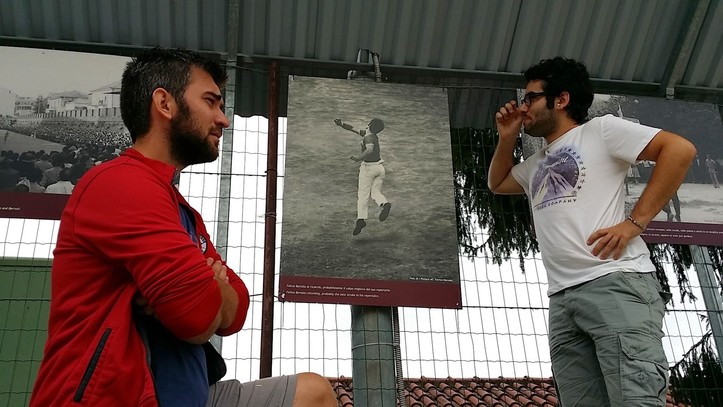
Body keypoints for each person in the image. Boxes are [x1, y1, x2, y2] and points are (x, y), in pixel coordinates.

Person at [30, 47, 337, 407]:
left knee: (314, 393)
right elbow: (197, 319)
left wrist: (202, 289)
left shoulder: (179, 206)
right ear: (164, 104)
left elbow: (236, 312)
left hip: (190, 395)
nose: (223, 119)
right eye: (211, 102)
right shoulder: (120, 182)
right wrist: (205, 287)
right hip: (118, 397)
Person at [488, 57, 696, 406]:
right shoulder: (536, 163)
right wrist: (507, 138)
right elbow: (498, 183)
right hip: (562, 299)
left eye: (531, 98)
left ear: (561, 99)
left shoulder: (601, 130)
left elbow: (679, 149)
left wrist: (634, 223)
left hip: (615, 282)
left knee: (636, 400)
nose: (523, 107)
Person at [334, 117, 392, 235]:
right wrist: (342, 124)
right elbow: (352, 128)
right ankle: (385, 204)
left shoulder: (368, 137)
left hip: (368, 169)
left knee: (363, 195)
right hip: (379, 168)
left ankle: (361, 220)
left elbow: (370, 150)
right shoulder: (371, 135)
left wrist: (359, 158)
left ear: (369, 125)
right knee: (375, 192)